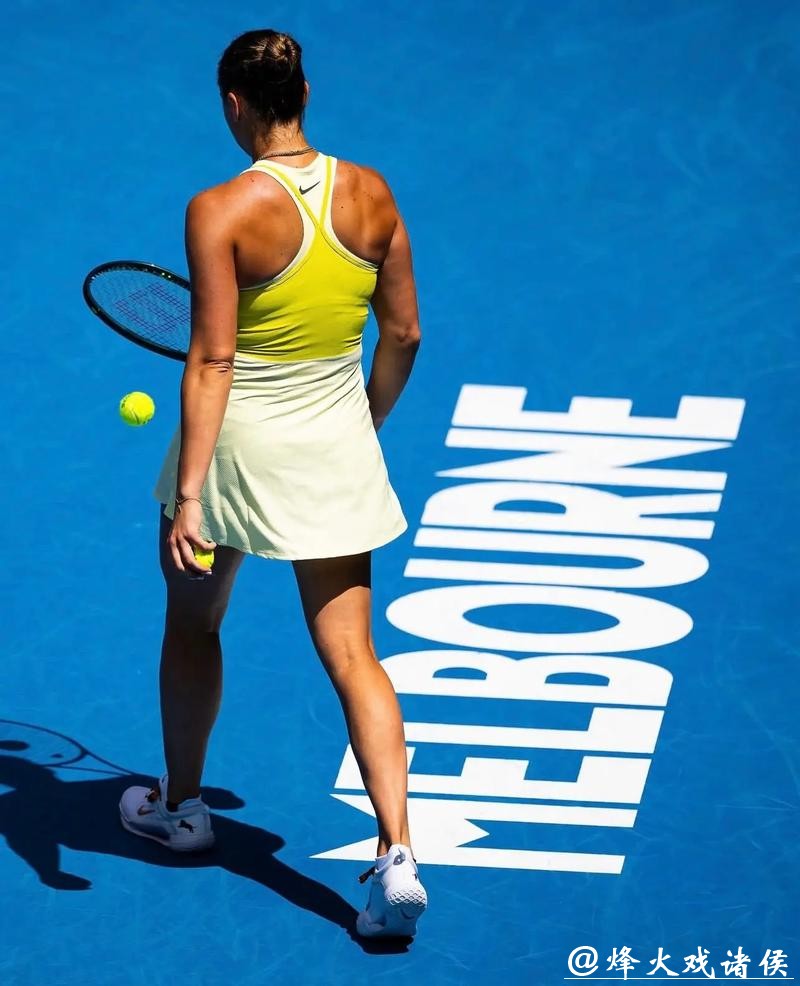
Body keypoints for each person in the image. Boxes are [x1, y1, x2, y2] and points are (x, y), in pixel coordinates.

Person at [117, 28, 427, 939]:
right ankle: (398, 854)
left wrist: (190, 496)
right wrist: (362, 424)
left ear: (233, 103)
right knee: (355, 656)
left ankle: (182, 809)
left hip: (236, 454)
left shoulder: (220, 208)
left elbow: (214, 359)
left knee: (194, 624)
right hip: (333, 445)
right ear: (304, 93)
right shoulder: (372, 193)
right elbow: (403, 334)